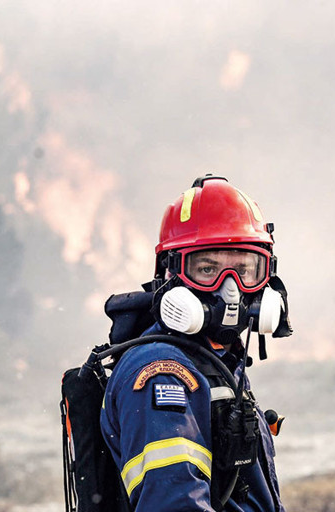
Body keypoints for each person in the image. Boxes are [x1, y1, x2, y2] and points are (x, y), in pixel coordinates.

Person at [100, 175, 292, 511]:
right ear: (171, 274)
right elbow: (174, 504)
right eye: (207, 268)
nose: (230, 288)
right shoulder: (162, 372)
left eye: (245, 269)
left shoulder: (215, 362)